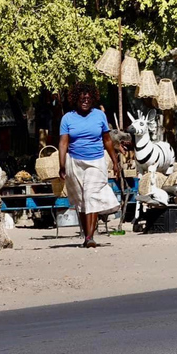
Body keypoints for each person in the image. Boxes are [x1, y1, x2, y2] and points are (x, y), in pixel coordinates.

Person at [58, 83, 120, 248]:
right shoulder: (67, 118)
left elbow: (107, 140)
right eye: (82, 97)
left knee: (91, 195)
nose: (85, 100)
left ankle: (90, 237)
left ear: (93, 99)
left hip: (96, 161)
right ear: (76, 98)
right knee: (82, 200)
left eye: (88, 98)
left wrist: (115, 161)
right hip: (75, 163)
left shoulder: (99, 115)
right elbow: (63, 143)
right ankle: (87, 235)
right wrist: (62, 164)